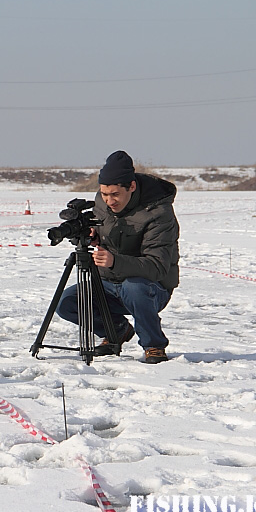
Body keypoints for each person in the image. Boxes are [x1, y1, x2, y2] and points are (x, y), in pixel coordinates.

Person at [55, 150, 180, 364]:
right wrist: (94, 235)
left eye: (115, 194)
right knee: (66, 301)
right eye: (104, 194)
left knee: (134, 287)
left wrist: (114, 261)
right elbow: (103, 227)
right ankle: (116, 330)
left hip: (152, 288)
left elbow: (157, 267)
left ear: (131, 187)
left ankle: (154, 346)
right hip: (109, 283)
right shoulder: (101, 203)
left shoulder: (159, 212)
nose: (109, 200)